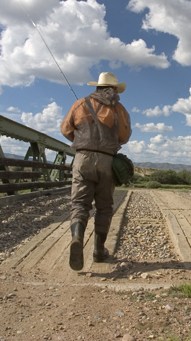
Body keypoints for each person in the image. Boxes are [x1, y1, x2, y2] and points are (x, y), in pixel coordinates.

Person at [61, 72, 131, 271]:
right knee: (104, 207)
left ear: (97, 87)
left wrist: (83, 140)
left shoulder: (80, 103)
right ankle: (99, 251)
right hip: (107, 161)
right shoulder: (119, 109)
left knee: (80, 204)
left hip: (82, 158)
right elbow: (124, 137)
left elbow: (66, 129)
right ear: (114, 89)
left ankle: (77, 237)